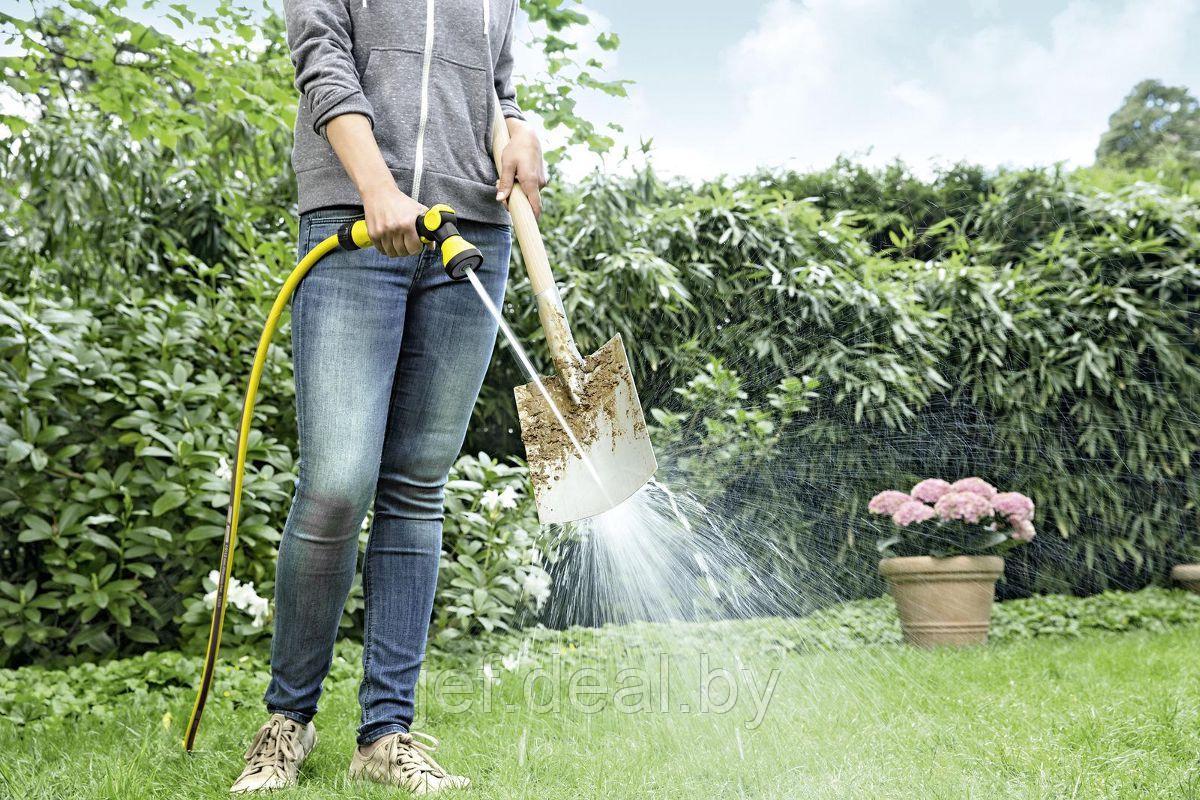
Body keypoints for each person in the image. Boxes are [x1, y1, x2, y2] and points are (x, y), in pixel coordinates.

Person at [229, 0, 545, 793]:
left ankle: (386, 733)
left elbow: (496, 88)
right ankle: (287, 722)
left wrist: (519, 131)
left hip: (471, 232)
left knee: (417, 486)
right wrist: (376, 185)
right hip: (354, 221)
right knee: (336, 484)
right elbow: (321, 58)